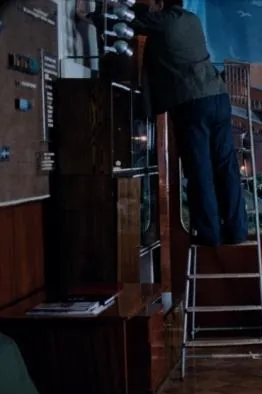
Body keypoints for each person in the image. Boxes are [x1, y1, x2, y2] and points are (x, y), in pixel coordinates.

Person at [84, 0, 247, 247]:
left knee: (199, 169)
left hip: (193, 101)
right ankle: (237, 231)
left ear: (162, 4)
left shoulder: (162, 22)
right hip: (219, 96)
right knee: (226, 166)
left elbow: (130, 20)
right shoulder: (192, 20)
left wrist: (94, 16)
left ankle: (209, 234)